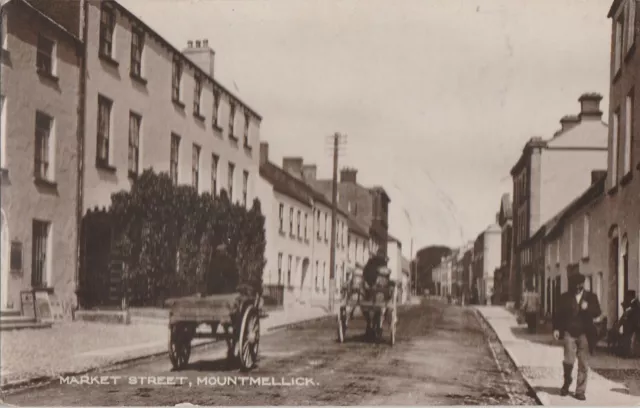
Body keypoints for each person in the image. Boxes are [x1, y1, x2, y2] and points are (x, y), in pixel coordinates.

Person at [553, 273, 601, 401]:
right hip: (569, 332)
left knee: (583, 363)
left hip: (585, 333)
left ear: (583, 284)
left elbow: (598, 312)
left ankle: (580, 391)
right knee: (568, 360)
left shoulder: (591, 297)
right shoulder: (565, 297)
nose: (577, 287)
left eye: (579, 284)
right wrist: (556, 328)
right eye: (575, 284)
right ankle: (567, 381)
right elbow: (558, 314)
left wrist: (588, 308)